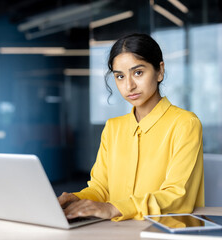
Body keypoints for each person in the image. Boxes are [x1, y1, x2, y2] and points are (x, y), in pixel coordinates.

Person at [58, 33, 204, 222]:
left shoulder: (185, 124)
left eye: (138, 73)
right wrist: (76, 198)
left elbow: (178, 196)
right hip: (117, 231)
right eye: (120, 76)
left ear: (160, 71)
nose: (129, 85)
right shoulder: (113, 128)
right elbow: (101, 188)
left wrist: (114, 208)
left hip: (164, 232)